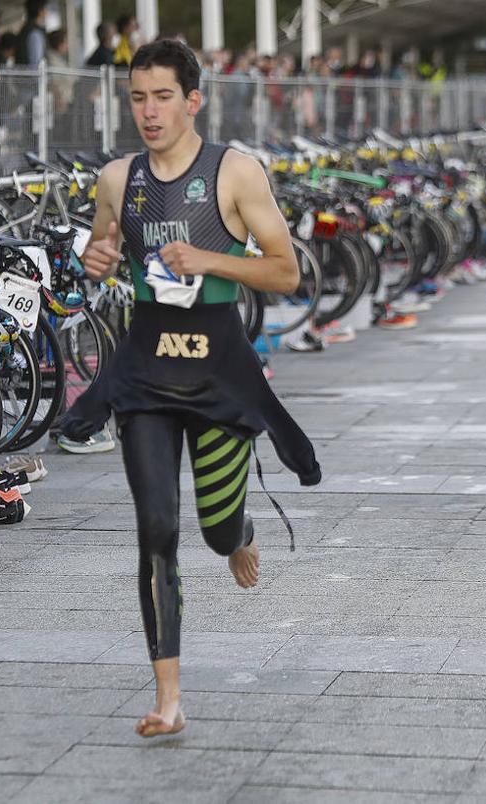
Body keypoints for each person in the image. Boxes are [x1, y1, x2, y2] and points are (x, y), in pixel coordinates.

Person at [59, 40, 321, 737]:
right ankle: (167, 698)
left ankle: (239, 531)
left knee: (212, 530)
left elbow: (287, 272)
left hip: (216, 368)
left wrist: (208, 258)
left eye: (163, 97)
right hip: (145, 368)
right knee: (155, 530)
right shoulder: (117, 178)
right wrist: (95, 259)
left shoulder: (234, 172)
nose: (149, 112)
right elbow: (102, 251)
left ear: (193, 100)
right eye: (138, 98)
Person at [16, 0, 49, 68]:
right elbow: (36, 63)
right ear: (40, 11)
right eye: (45, 10)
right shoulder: (35, 33)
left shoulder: (25, 29)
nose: (47, 13)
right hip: (30, 78)